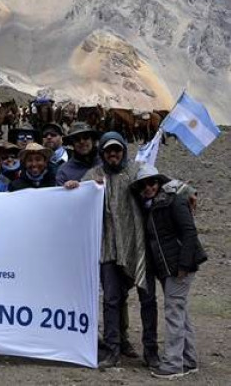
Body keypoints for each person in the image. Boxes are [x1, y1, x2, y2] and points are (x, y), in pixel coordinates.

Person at [79, 132, 156, 369]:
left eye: (117, 150)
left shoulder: (136, 171)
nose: (113, 154)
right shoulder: (93, 176)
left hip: (137, 246)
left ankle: (151, 352)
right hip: (108, 248)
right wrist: (74, 188)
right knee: (111, 300)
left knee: (147, 299)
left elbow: (161, 184)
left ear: (124, 151)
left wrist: (186, 191)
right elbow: (76, 199)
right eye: (108, 150)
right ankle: (113, 350)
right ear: (102, 153)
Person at [131, 165, 207, 379]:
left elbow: (190, 232)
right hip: (168, 268)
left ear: (159, 182)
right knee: (180, 312)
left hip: (179, 268)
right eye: (143, 184)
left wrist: (183, 266)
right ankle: (189, 360)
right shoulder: (151, 205)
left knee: (173, 312)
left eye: (152, 182)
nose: (148, 187)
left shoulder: (174, 201)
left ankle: (174, 364)